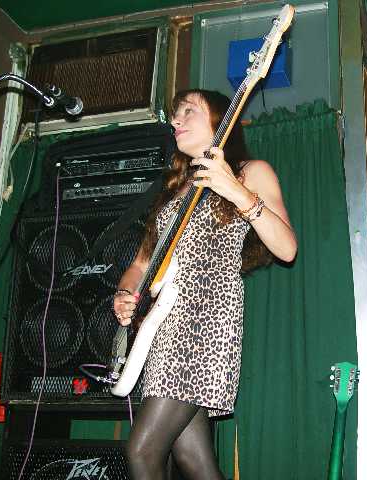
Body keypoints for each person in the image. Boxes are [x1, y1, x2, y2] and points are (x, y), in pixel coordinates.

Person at [112, 89, 297, 480]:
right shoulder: (174, 190)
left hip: (205, 324)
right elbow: (140, 264)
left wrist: (236, 191)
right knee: (193, 460)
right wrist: (126, 292)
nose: (176, 120)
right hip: (164, 329)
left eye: (188, 111)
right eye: (175, 114)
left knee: (143, 451)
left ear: (218, 119)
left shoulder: (249, 172)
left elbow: (286, 248)